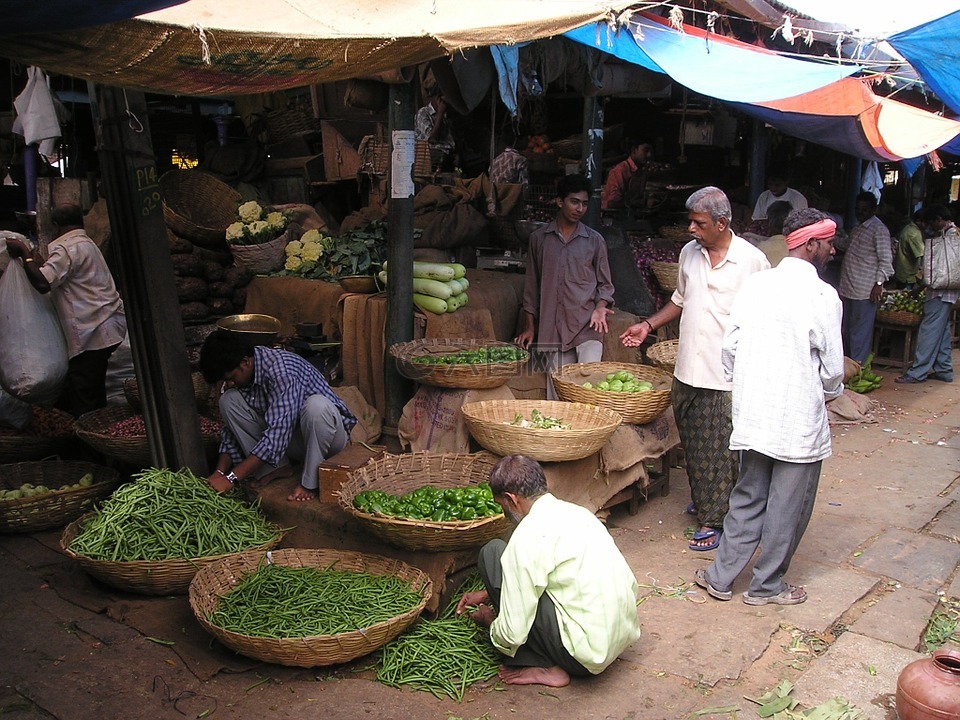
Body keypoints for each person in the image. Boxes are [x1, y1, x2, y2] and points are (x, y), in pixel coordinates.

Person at [695, 207, 844, 606]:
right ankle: (766, 586)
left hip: (754, 413)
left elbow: (730, 350)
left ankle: (720, 576)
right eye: (828, 242)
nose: (832, 249)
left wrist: (749, 388)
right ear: (811, 244)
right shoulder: (823, 296)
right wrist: (826, 390)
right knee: (786, 506)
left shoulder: (756, 285)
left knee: (748, 495)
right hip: (797, 420)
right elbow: (831, 371)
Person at [620, 187, 770, 551]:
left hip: (725, 375)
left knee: (719, 446)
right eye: (690, 221)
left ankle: (715, 520)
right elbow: (680, 301)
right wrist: (649, 326)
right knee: (693, 440)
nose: (691, 229)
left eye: (699, 223)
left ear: (722, 223)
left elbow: (765, 316)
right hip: (687, 368)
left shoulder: (752, 262)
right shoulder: (689, 254)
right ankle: (709, 498)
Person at [456, 455, 641, 687]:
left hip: (582, 658)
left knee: (492, 552)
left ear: (511, 500)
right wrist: (488, 593)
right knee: (523, 576)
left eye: (501, 506)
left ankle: (544, 666)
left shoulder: (525, 539)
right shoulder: (580, 513)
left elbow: (512, 634)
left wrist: (491, 622)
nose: (503, 513)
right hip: (620, 635)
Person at [198, 330, 357, 502]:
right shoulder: (246, 370)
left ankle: (310, 483)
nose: (229, 383)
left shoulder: (282, 371)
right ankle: (276, 468)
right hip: (295, 440)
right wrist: (219, 472)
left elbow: (277, 436)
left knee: (316, 406)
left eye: (230, 378)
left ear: (245, 362)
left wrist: (232, 478)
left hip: (329, 440)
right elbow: (230, 433)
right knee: (228, 400)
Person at [5, 203, 126, 418]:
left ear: (55, 225)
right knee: (90, 389)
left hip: (93, 332)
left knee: (86, 396)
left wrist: (25, 253)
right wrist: (31, 257)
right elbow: (52, 271)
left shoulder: (68, 248)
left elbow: (43, 283)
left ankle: (90, 443)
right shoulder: (84, 243)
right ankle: (95, 434)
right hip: (105, 326)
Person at [515, 173, 615, 400]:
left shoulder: (595, 241)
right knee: (557, 397)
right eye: (574, 201)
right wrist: (530, 327)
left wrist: (600, 307)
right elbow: (531, 288)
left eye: (584, 204)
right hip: (552, 330)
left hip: (587, 327)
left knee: (587, 394)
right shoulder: (539, 239)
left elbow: (605, 285)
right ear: (559, 201)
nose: (580, 208)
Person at [895, 205, 959, 384]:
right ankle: (944, 369)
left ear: (939, 220)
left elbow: (939, 269)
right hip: (945, 292)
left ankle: (917, 372)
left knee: (928, 331)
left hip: (940, 292)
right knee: (942, 331)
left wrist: (920, 287)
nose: (929, 227)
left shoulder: (949, 237)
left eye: (931, 222)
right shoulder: (954, 234)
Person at [836, 191, 894, 364]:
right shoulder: (858, 228)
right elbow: (847, 245)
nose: (860, 212)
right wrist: (833, 236)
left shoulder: (879, 230)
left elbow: (886, 260)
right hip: (848, 287)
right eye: (858, 209)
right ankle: (847, 367)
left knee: (859, 334)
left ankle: (858, 369)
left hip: (865, 291)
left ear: (873, 209)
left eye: (864, 209)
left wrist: (878, 284)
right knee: (847, 331)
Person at [601, 137, 653, 210]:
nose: (649, 155)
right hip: (613, 217)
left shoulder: (642, 170)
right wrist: (641, 203)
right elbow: (612, 204)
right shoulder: (620, 171)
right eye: (645, 150)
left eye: (651, 151)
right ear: (634, 150)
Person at [415, 87, 456, 171]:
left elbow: (450, 140)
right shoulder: (423, 113)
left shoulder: (446, 116)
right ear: (438, 99)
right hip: (431, 154)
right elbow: (432, 139)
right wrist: (440, 114)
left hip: (447, 152)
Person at [894, 211, 925, 288]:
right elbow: (922, 255)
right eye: (926, 223)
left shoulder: (910, 228)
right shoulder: (913, 233)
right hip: (908, 277)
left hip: (904, 274)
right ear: (918, 221)